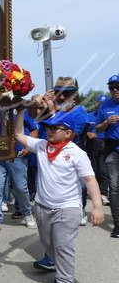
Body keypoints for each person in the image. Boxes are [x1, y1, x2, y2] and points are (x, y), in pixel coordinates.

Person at [15, 109, 104, 283]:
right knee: (48, 245)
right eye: (48, 127)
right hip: (42, 207)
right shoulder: (41, 145)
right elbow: (18, 134)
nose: (49, 130)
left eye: (55, 128)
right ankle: (61, 267)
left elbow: (89, 180)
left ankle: (64, 279)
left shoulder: (77, 153)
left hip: (67, 209)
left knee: (64, 248)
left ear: (68, 133)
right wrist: (20, 111)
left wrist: (98, 207)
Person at [32, 76, 89, 271]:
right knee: (47, 214)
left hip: (69, 166)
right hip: (47, 163)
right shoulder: (49, 108)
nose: (61, 96)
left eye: (66, 92)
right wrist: (37, 99)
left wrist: (52, 111)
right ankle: (51, 256)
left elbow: (71, 135)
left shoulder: (79, 111)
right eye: (57, 92)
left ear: (75, 94)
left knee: (64, 217)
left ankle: (59, 264)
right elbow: (35, 121)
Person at [0, 110, 37, 235]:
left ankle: (27, 214)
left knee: (21, 187)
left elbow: (34, 129)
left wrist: (29, 146)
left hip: (17, 155)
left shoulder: (22, 110)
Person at [95, 75, 119, 238]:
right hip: (112, 148)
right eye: (111, 87)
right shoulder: (105, 106)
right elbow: (97, 129)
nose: (114, 90)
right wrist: (106, 122)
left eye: (117, 86)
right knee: (115, 187)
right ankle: (118, 224)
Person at [86, 95, 109, 204]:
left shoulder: (110, 115)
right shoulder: (90, 116)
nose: (100, 106)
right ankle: (96, 191)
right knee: (94, 168)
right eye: (99, 103)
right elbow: (83, 130)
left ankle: (103, 192)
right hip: (93, 143)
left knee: (104, 169)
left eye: (103, 104)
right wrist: (88, 133)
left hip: (106, 143)